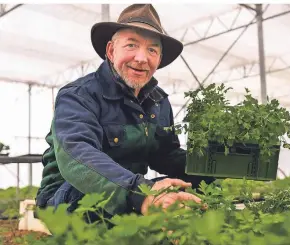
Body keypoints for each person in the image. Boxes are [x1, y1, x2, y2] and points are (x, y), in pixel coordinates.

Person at [35, 4, 214, 219]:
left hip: (132, 191)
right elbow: (77, 155)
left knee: (195, 200)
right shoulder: (79, 95)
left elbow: (166, 155)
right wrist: (142, 194)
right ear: (111, 51)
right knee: (113, 214)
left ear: (158, 59)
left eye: (152, 50)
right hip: (67, 193)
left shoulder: (159, 101)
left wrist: (215, 167)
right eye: (131, 45)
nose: (141, 58)